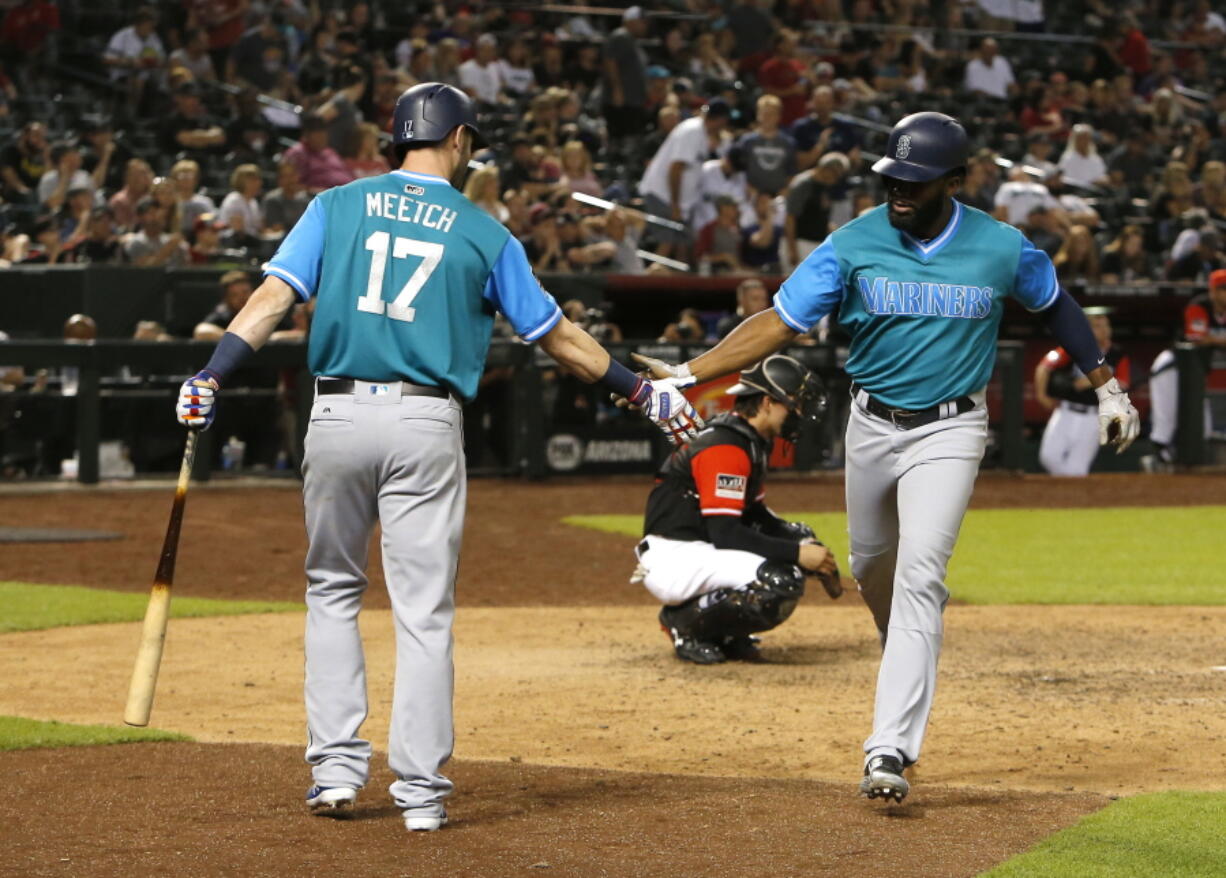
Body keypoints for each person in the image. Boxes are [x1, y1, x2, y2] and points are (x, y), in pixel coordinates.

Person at [172, 83, 701, 834]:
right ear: (458, 141)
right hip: (425, 420)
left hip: (337, 412)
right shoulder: (486, 234)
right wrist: (639, 392)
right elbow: (557, 338)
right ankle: (420, 795)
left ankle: (335, 773)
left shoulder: (335, 206)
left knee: (331, 591)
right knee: (422, 612)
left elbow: (269, 301)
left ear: (398, 139)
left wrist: (211, 373)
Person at [628, 111, 1139, 804]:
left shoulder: (999, 246)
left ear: (955, 181)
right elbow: (778, 321)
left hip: (951, 431)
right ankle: (900, 634)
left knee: (922, 577)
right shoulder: (853, 242)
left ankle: (888, 749)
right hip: (870, 426)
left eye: (916, 181)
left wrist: (1106, 385)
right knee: (873, 571)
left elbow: (1057, 306)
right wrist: (689, 374)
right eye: (892, 177)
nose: (899, 190)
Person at [634, 355, 840, 663]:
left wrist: (805, 545)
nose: (800, 413)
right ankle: (684, 624)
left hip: (697, 550)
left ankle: (723, 632)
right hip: (674, 557)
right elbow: (725, 533)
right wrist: (796, 554)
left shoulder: (748, 440)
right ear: (768, 403)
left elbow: (755, 517)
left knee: (798, 537)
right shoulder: (727, 447)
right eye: (795, 404)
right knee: (778, 580)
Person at [1036, 308, 1130, 476]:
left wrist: (1093, 380)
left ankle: (1067, 496)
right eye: (1097, 326)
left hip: (1094, 416)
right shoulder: (1073, 348)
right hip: (1066, 411)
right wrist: (1041, 395)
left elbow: (1123, 383)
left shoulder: (1117, 354)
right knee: (1048, 457)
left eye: (1105, 325)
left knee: (1077, 468)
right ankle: (1070, 492)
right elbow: (1044, 367)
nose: (1104, 330)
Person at [1147, 269, 1226, 466]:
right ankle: (1158, 463)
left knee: (1202, 428)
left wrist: (1214, 340)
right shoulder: (1198, 306)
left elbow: (1210, 340)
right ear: (1213, 291)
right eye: (1223, 289)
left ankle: (1181, 474)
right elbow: (1198, 339)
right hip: (1172, 367)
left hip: (1194, 372)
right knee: (1166, 422)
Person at [638, 99, 732, 257]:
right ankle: (650, 279)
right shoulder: (693, 130)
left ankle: (675, 280)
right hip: (663, 196)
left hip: (675, 201)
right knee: (668, 245)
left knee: (682, 246)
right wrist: (675, 204)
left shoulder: (701, 132)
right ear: (721, 120)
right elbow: (675, 168)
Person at [784, 151, 849, 271]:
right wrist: (791, 250)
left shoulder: (825, 186)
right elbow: (790, 217)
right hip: (800, 242)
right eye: (835, 174)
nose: (836, 178)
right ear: (825, 168)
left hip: (817, 244)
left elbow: (819, 215)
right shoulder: (803, 184)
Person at [601, 6, 650, 141]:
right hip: (622, 101)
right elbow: (610, 61)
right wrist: (617, 90)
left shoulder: (631, 39)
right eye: (642, 22)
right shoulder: (621, 35)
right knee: (619, 137)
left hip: (631, 100)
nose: (645, 26)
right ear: (631, 21)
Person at [737, 94, 797, 197]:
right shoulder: (747, 141)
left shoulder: (788, 143)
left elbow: (791, 171)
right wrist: (748, 188)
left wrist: (785, 191)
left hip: (779, 197)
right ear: (758, 115)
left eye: (772, 114)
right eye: (764, 113)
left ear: (779, 116)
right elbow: (739, 169)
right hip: (751, 195)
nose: (767, 118)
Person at [284, 115, 356, 193]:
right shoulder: (297, 154)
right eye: (318, 135)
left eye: (324, 135)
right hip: (322, 198)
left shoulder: (330, 152)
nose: (322, 139)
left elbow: (347, 172)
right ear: (306, 135)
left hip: (348, 193)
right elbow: (292, 185)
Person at [262, 160, 311, 235]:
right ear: (279, 180)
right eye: (285, 176)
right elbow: (277, 229)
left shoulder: (304, 199)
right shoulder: (272, 200)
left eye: (292, 175)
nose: (290, 180)